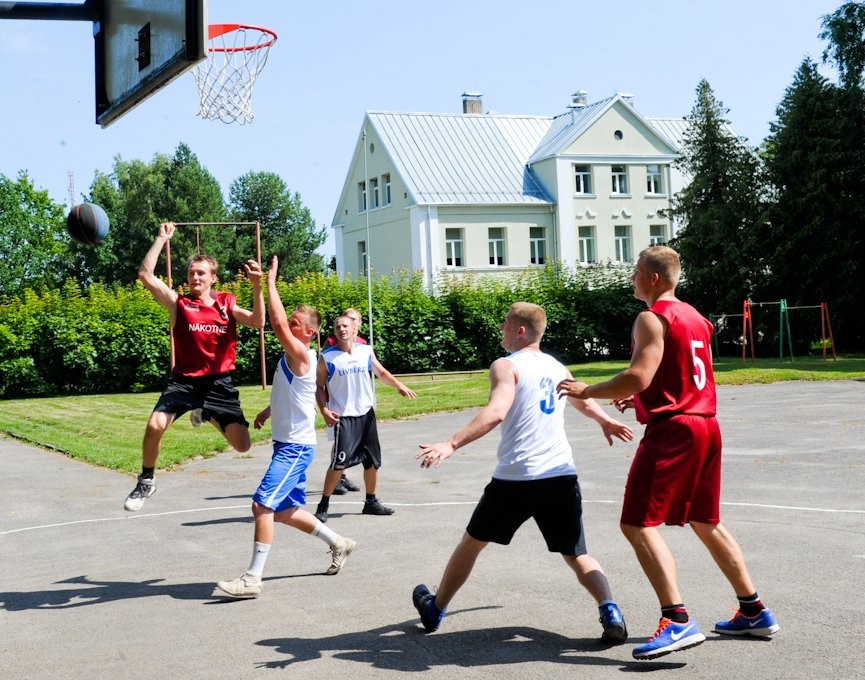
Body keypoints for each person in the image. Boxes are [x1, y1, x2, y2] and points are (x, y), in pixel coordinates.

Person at [556, 245, 780, 660]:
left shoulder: (651, 317)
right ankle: (753, 610)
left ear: (653, 278)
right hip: (706, 425)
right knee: (705, 520)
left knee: (637, 524)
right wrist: (639, 401)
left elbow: (638, 376)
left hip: (675, 430)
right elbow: (676, 377)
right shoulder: (696, 318)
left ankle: (676, 620)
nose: (632, 279)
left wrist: (590, 390)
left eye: (636, 272)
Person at [412, 302, 634, 641]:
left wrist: (452, 444)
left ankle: (435, 608)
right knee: (576, 554)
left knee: (471, 544)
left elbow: (497, 411)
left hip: (517, 477)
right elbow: (580, 398)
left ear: (519, 330)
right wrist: (605, 420)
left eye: (505, 324)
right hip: (560, 475)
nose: (501, 329)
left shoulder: (506, 365)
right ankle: (610, 609)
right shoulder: (556, 365)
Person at [216, 257, 355, 598]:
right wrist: (267, 411)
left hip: (296, 447)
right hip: (286, 444)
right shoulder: (292, 359)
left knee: (261, 505)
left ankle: (252, 579)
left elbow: (275, 323)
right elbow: (292, 394)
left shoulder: (304, 355)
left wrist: (270, 282)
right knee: (285, 511)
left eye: (296, 323)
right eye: (291, 322)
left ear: (309, 332)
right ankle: (339, 542)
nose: (289, 326)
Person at [124, 222, 264, 511]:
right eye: (191, 272)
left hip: (219, 383)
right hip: (183, 383)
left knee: (243, 446)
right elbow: (144, 275)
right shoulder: (179, 303)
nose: (194, 276)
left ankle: (207, 413)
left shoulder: (227, 304)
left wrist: (257, 287)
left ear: (213, 278)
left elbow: (258, 322)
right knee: (154, 426)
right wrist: (161, 238)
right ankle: (147, 479)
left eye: (201, 272)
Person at [313, 313, 417, 522]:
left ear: (354, 329)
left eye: (345, 326)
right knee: (338, 464)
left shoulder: (365, 351)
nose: (341, 329)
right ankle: (323, 505)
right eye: (337, 327)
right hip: (344, 418)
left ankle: (371, 502)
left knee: (372, 462)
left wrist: (398, 385)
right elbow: (318, 386)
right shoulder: (327, 357)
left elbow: (382, 372)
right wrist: (324, 410)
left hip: (366, 416)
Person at [325, 307, 366, 496]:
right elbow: (325, 369)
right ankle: (337, 477)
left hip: (359, 404)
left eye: (354, 319)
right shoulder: (332, 344)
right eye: (348, 319)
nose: (351, 322)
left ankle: (343, 475)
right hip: (338, 403)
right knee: (340, 441)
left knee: (352, 444)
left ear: (359, 324)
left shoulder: (363, 346)